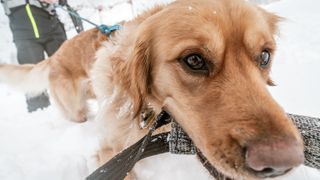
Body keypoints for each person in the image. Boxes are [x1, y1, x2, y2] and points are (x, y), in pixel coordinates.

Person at [1, 0, 67, 112]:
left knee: (66, 72)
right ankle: (40, 114)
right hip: (24, 36)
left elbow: (62, 2)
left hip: (52, 30)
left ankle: (76, 110)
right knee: (32, 79)